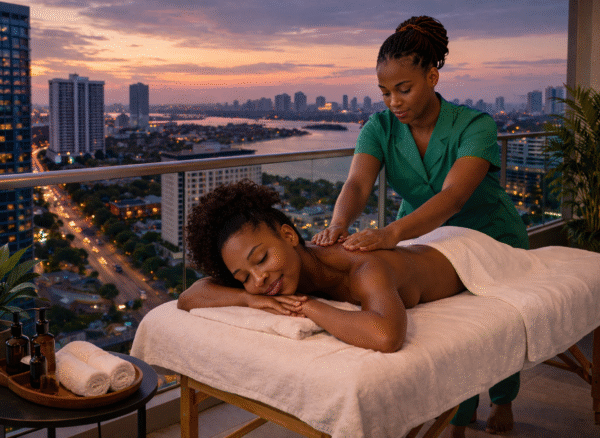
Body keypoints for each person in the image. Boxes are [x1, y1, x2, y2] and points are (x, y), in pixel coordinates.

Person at [311, 16, 528, 438]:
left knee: (498, 325)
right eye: (384, 92)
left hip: (489, 234)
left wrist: (390, 234)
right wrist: (338, 224)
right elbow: (357, 183)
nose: (393, 101)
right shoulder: (380, 128)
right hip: (427, 240)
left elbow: (453, 198)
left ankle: (504, 398)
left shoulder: (475, 125)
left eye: (403, 89)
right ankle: (459, 417)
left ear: (432, 77)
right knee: (451, 333)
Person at [178, 180, 466, 354]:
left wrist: (307, 307)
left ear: (289, 235)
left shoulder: (363, 265)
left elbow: (386, 335)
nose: (259, 278)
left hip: (459, 255)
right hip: (420, 247)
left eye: (261, 259)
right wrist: (247, 297)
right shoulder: (274, 279)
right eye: (242, 277)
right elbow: (190, 296)